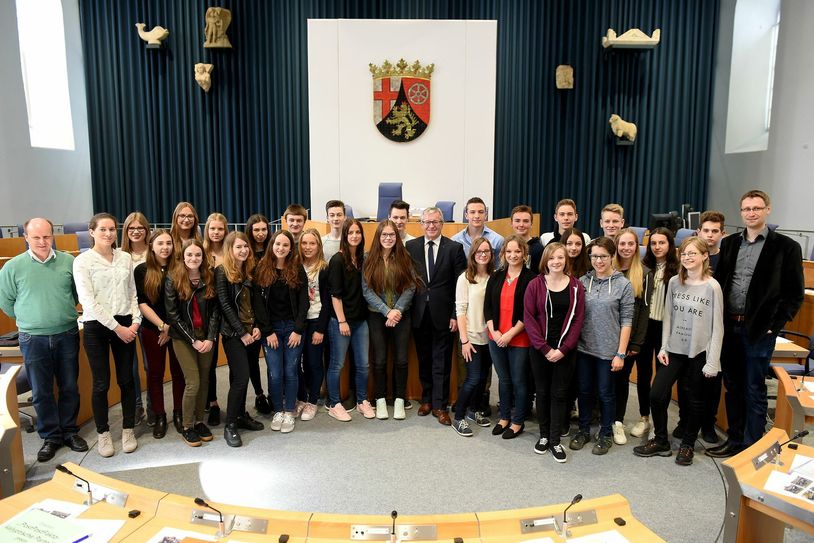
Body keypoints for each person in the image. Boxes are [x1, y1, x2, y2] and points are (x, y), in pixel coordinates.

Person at [707, 190, 804, 458]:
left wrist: (775, 324)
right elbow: (722, 283)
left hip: (760, 329)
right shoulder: (729, 244)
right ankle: (735, 440)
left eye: (757, 208)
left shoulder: (786, 247)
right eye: (747, 209)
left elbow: (795, 293)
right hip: (730, 326)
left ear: (767, 210)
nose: (751, 213)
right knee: (734, 386)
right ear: (741, 212)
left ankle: (753, 447)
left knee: (754, 387)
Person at [0, 218, 88, 462]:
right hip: (32, 338)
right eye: (36, 237)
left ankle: (69, 431)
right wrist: (30, 318)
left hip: (66, 333)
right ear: (26, 238)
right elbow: (6, 301)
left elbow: (74, 294)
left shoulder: (68, 262)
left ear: (53, 236)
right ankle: (51, 436)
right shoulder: (13, 267)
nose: (42, 241)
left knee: (69, 386)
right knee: (41, 390)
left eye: (47, 236)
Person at [634, 237, 724, 466]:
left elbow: (717, 327)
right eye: (684, 254)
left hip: (699, 352)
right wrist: (663, 346)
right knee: (656, 393)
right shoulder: (674, 282)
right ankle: (661, 440)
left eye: (693, 254)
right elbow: (669, 318)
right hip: (674, 349)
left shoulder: (712, 286)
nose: (687, 258)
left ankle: (687, 445)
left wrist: (712, 362)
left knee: (694, 400)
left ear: (705, 256)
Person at [73, 213, 142, 457]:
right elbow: (87, 301)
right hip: (98, 327)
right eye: (102, 229)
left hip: (126, 324)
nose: (108, 234)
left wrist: (135, 322)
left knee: (127, 380)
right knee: (101, 383)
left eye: (112, 229)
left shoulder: (124, 258)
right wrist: (117, 328)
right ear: (91, 231)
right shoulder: (83, 261)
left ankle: (127, 429)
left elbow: (133, 293)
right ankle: (103, 434)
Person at [569, 237, 633, 455]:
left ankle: (605, 433)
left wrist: (621, 354)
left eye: (603, 256)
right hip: (584, 348)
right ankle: (584, 430)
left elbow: (626, 321)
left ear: (612, 256)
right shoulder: (582, 281)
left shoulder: (623, 284)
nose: (598, 260)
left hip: (608, 352)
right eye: (594, 256)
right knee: (584, 391)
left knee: (606, 393)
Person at [524, 242, 585, 462]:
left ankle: (555, 440)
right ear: (545, 261)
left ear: (566, 260)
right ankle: (543, 436)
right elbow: (529, 319)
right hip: (540, 350)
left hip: (565, 351)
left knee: (560, 394)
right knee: (542, 392)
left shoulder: (577, 287)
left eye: (560, 257)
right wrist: (544, 348)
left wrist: (563, 349)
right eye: (552, 258)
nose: (556, 262)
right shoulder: (535, 285)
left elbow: (578, 320)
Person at [406, 207, 467, 425]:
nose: (431, 226)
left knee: (441, 360)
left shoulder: (455, 248)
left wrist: (454, 315)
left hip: (444, 315)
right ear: (421, 224)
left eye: (435, 222)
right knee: (424, 359)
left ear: (442, 224)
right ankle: (427, 399)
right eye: (427, 222)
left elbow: (461, 285)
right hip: (419, 313)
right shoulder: (410, 247)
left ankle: (441, 405)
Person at [362, 220, 421, 420]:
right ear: (378, 237)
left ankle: (399, 399)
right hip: (376, 315)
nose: (388, 238)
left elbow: (411, 286)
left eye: (392, 235)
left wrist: (397, 310)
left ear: (397, 237)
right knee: (379, 360)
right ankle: (379, 399)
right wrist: (387, 311)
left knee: (402, 359)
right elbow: (366, 290)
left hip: (401, 316)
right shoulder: (368, 258)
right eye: (384, 235)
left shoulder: (405, 257)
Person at [165, 239, 220, 447]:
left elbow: (215, 311)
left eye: (198, 255)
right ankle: (187, 425)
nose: (194, 258)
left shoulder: (209, 277)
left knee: (205, 380)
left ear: (203, 257)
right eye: (189, 255)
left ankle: (199, 422)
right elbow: (173, 316)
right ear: (183, 257)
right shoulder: (173, 279)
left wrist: (210, 338)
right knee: (193, 382)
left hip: (206, 338)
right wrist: (194, 340)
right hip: (184, 338)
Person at [254, 230, 309, 433]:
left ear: (290, 248)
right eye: (278, 244)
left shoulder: (296, 268)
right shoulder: (262, 269)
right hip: (272, 330)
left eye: (285, 245)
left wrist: (298, 329)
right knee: (275, 372)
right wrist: (267, 331)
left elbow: (304, 302)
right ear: (272, 245)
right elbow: (258, 303)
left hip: (292, 329)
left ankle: (289, 410)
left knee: (291, 370)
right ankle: (278, 409)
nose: (281, 248)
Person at [133, 229, 185, 439]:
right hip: (151, 329)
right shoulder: (142, 270)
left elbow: (183, 302)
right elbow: (142, 303)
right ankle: (160, 416)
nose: (165, 247)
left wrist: (170, 329)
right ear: (152, 246)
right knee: (155, 374)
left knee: (178, 373)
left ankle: (179, 413)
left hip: (177, 331)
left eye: (169, 243)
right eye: (160, 243)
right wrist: (162, 326)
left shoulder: (179, 268)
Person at [215, 231, 265, 447]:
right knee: (241, 378)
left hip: (251, 332)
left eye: (246, 246)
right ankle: (230, 426)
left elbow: (256, 304)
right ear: (229, 249)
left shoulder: (249, 271)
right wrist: (242, 332)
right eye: (238, 247)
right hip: (234, 334)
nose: (244, 250)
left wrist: (257, 327)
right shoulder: (221, 271)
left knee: (240, 375)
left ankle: (241, 415)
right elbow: (225, 305)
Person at [629, 227, 679, 439]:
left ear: (670, 245)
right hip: (645, 326)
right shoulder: (643, 267)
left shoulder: (678, 269)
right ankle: (644, 417)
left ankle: (660, 420)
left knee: (662, 377)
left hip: (667, 329)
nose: (657, 247)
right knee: (643, 373)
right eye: (654, 243)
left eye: (662, 243)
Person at [485, 235, 534, 439]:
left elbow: (528, 312)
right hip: (496, 337)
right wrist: (495, 333)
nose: (513, 255)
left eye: (517, 251)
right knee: (504, 380)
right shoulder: (496, 276)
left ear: (524, 254)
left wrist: (509, 334)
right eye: (509, 252)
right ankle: (504, 417)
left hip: (519, 338)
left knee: (519, 381)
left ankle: (517, 421)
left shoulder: (532, 279)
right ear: (503, 254)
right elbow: (487, 307)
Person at [326, 219, 374, 421]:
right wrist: (342, 321)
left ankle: (362, 400)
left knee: (363, 364)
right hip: (341, 321)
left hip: (361, 320)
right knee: (337, 364)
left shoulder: (363, 259)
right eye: (350, 232)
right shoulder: (337, 260)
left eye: (358, 232)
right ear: (344, 236)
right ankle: (334, 403)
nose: (354, 236)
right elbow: (335, 295)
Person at [611, 228, 652, 445]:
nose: (626, 248)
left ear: (637, 247)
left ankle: (631, 419)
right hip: (610, 336)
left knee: (631, 379)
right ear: (616, 246)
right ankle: (613, 419)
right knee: (613, 381)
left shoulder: (644, 273)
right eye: (622, 244)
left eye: (631, 244)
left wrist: (635, 342)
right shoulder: (609, 270)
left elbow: (644, 311)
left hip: (633, 339)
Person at [451, 237, 495, 437]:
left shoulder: (495, 276)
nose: (483, 254)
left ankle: (473, 411)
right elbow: (460, 311)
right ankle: (458, 417)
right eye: (479, 251)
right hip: (472, 337)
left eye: (487, 251)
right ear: (473, 254)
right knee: (473, 378)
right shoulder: (465, 278)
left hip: (491, 339)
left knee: (483, 379)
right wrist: (464, 341)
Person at [695, 210, 726, 442]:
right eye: (706, 230)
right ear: (699, 232)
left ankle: (708, 423)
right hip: (694, 326)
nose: (710, 235)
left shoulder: (727, 259)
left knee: (712, 378)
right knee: (690, 379)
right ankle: (687, 421)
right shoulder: (691, 256)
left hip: (717, 326)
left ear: (722, 234)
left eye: (715, 231)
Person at [120, 211, 152, 424]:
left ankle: (153, 406)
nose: (136, 232)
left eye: (140, 228)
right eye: (132, 228)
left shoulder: (154, 251)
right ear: (126, 231)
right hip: (127, 317)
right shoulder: (119, 254)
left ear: (146, 230)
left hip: (149, 314)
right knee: (130, 367)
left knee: (150, 365)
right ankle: (137, 407)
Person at [296, 228, 330, 421]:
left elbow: (326, 302)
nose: (308, 247)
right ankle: (301, 396)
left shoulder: (324, 268)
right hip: (298, 323)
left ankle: (313, 400)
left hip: (316, 320)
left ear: (318, 246)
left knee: (314, 362)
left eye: (312, 243)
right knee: (296, 363)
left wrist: (320, 329)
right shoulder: (295, 266)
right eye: (304, 243)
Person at [243, 214, 272, 415]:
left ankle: (275, 394)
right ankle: (259, 394)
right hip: (252, 315)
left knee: (273, 359)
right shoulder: (246, 253)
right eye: (256, 230)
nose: (260, 234)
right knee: (252, 359)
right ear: (250, 232)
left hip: (272, 314)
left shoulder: (273, 251)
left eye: (263, 229)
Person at [203, 214, 228, 426]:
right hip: (208, 313)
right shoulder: (201, 253)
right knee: (209, 363)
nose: (216, 233)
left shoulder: (230, 252)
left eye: (220, 229)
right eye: (213, 229)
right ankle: (212, 403)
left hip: (229, 313)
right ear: (207, 230)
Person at [510, 205, 544, 276]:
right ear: (511, 223)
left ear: (531, 224)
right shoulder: (507, 246)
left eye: (525, 221)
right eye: (517, 221)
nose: (521, 224)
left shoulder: (538, 249)